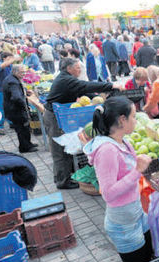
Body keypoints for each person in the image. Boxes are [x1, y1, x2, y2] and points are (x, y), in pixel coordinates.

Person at [83, 97, 153, 262]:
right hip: (122, 223)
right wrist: (137, 172)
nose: (136, 120)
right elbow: (108, 193)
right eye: (133, 116)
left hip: (135, 214)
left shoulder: (121, 142)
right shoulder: (106, 150)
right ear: (122, 120)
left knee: (147, 258)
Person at [44, 58, 122, 189]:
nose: (79, 70)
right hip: (53, 116)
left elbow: (83, 91)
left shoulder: (66, 78)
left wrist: (99, 99)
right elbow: (85, 85)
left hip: (58, 114)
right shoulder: (66, 79)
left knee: (62, 148)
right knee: (58, 149)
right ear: (69, 68)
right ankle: (62, 181)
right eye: (77, 67)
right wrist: (110, 86)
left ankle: (63, 175)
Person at [2, 64, 40, 153]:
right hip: (15, 110)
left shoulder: (11, 78)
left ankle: (28, 143)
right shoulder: (13, 82)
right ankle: (25, 147)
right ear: (15, 72)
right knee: (22, 129)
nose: (24, 74)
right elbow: (16, 97)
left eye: (24, 72)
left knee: (25, 128)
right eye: (22, 72)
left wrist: (25, 92)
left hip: (13, 109)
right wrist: (24, 105)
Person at [0, 52, 19, 135]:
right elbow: (2, 66)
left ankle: (11, 122)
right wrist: (14, 59)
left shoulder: (10, 66)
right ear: (4, 58)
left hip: (8, 90)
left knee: (10, 107)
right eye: (10, 58)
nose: (12, 60)